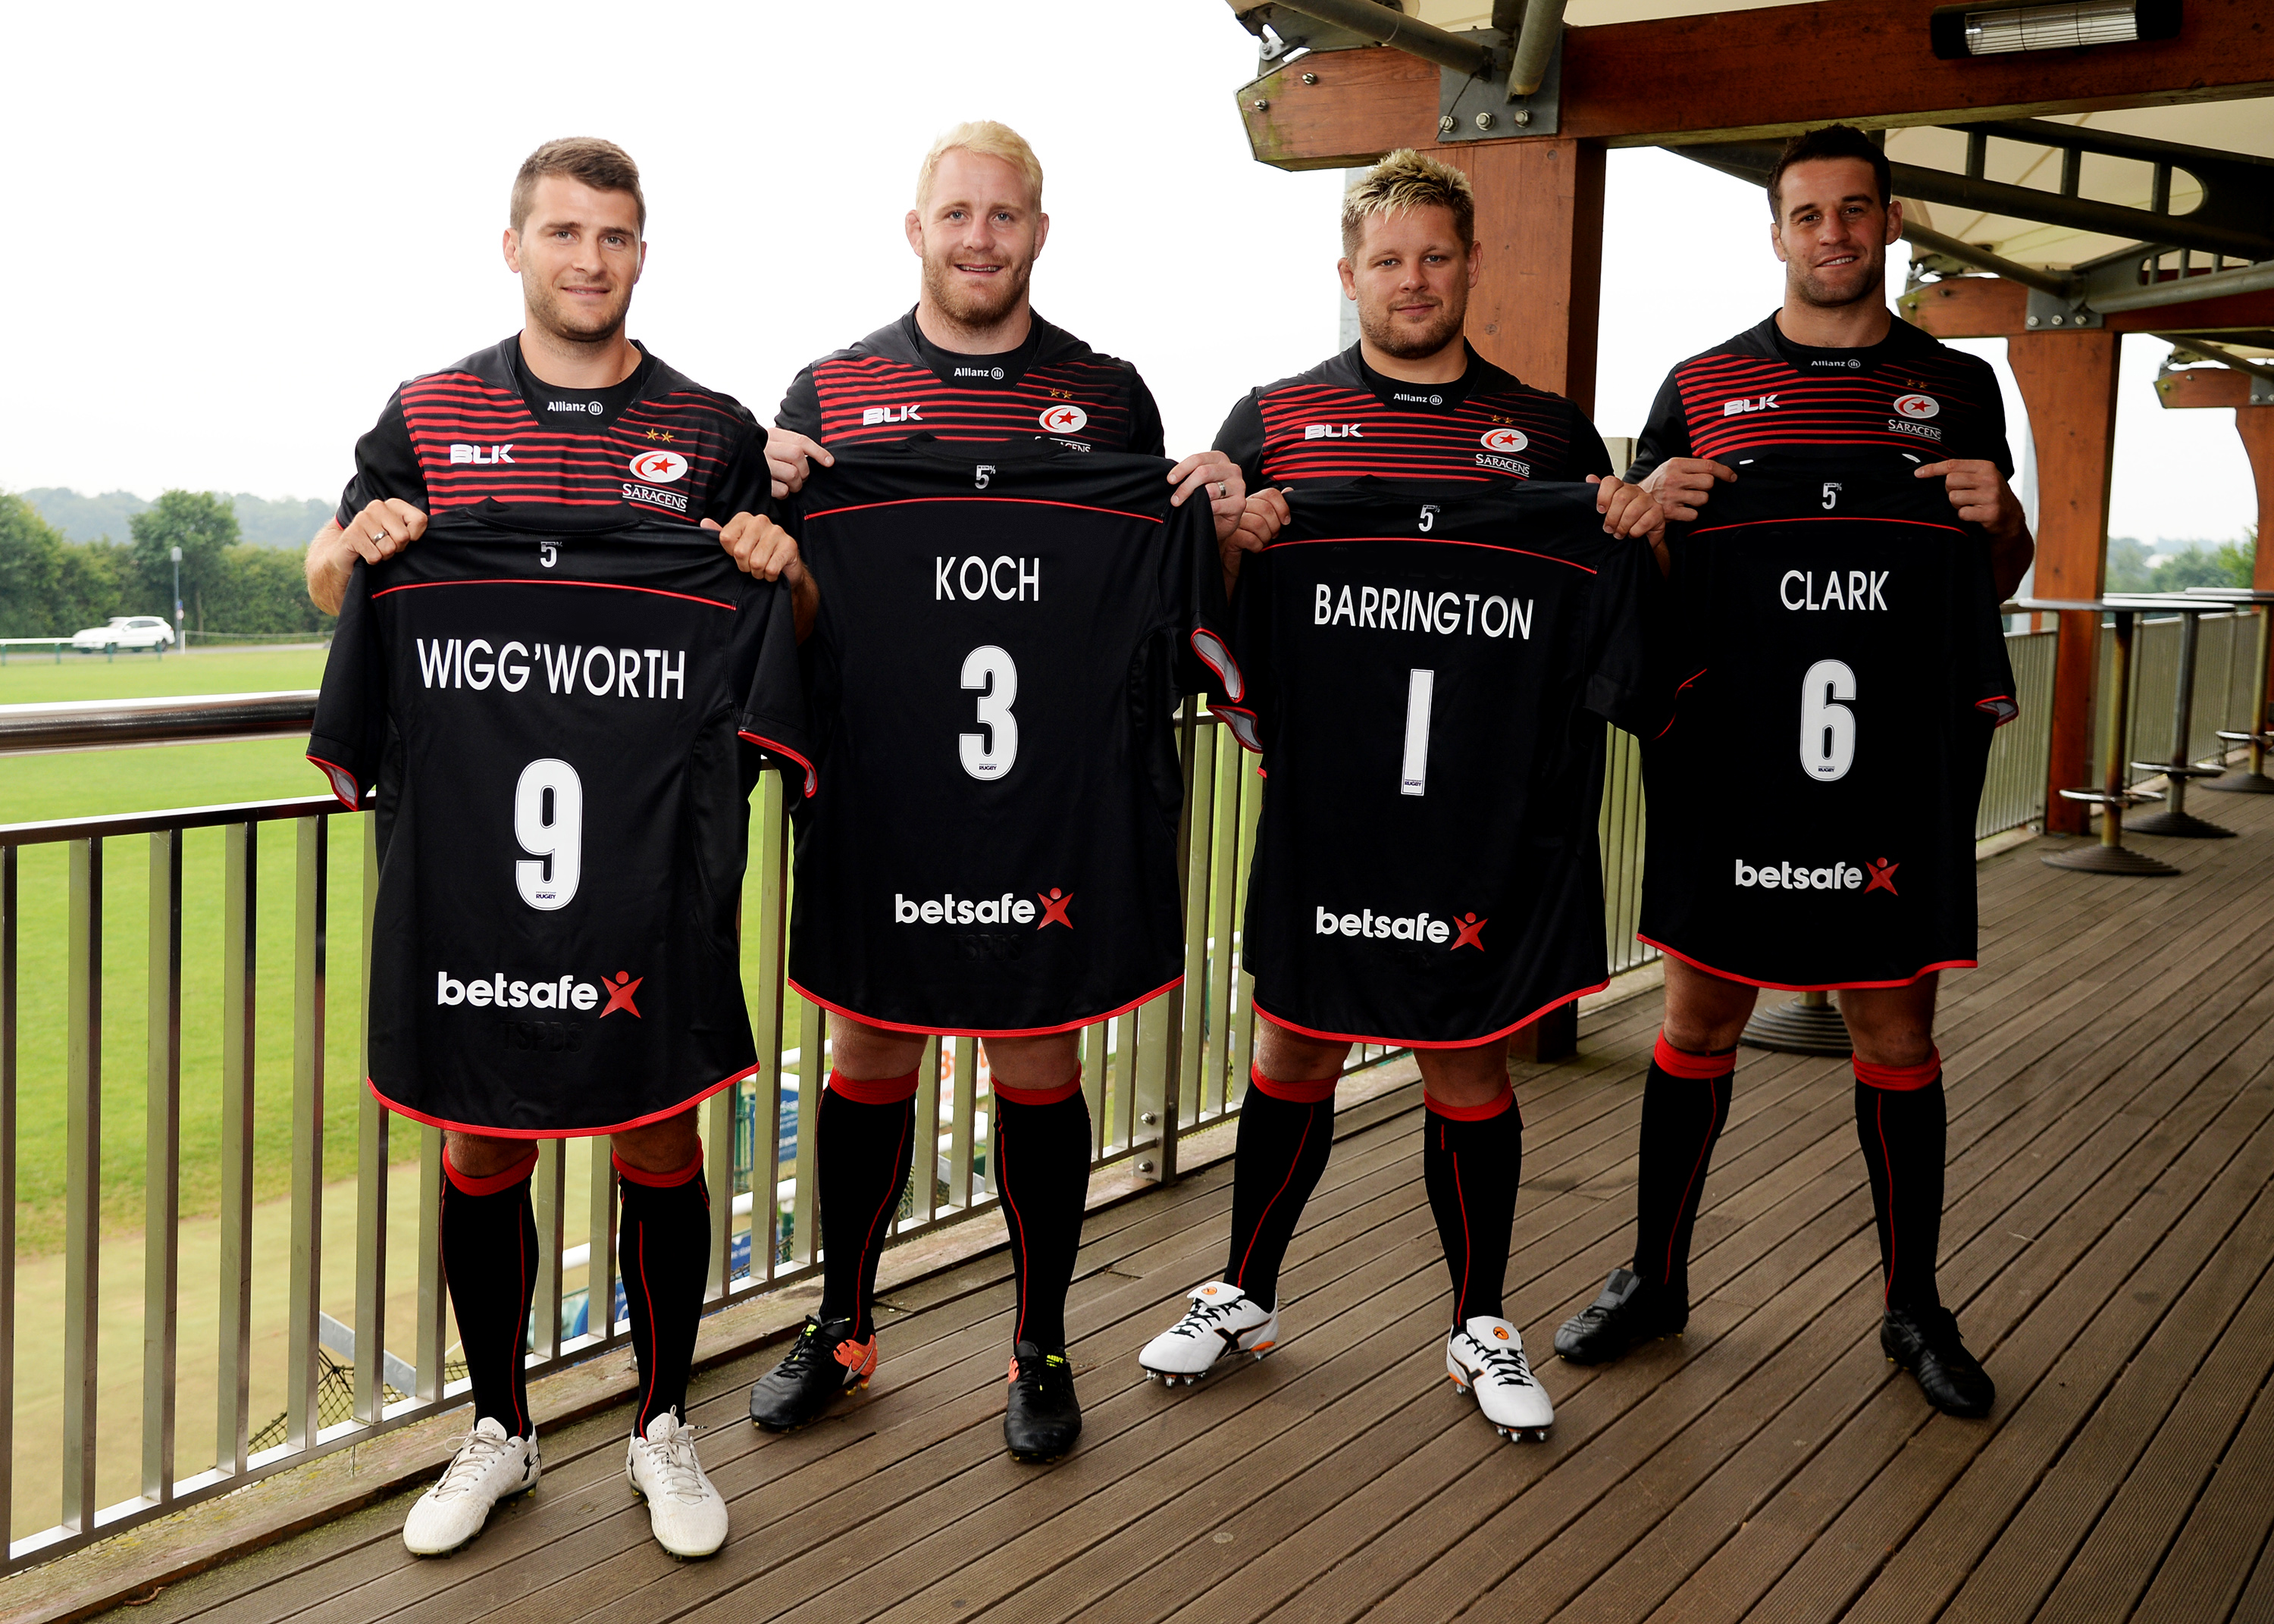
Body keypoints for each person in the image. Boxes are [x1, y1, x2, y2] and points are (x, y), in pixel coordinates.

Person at [1132, 150, 1663, 1445]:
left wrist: (1636, 522)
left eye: (1435, 256)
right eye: (1387, 260)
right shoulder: (1276, 419)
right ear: (1347, 275)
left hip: (1477, 821)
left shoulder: (1545, 436)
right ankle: (1247, 1292)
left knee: (1463, 1060)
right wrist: (1222, 533)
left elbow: (1604, 600)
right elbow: (1194, 600)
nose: (1412, 280)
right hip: (1333, 804)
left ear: (1472, 265)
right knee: (1292, 1048)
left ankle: (1482, 1321)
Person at [738, 121, 1248, 1463]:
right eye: (956, 213)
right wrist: (772, 497)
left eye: (1005, 215)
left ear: (1038, 231)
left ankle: (1042, 1342)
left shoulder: (1110, 394)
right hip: (885, 798)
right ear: (915, 230)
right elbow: (784, 613)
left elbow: (1152, 587)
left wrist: (1206, 497)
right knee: (868, 1057)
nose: (980, 237)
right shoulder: (833, 392)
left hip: (1045, 808)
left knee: (1037, 1061)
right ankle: (843, 1324)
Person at [305, 136, 776, 1559]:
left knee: (655, 1128)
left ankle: (661, 1425)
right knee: (484, 1138)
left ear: (644, 254)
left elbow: (787, 626)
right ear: (512, 245)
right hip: (476, 865)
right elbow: (334, 576)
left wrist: (777, 562)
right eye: (564, 232)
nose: (590, 258)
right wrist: (359, 545)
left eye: (616, 235)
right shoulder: (429, 411)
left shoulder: (709, 429)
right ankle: (499, 1429)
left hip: (648, 861)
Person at [1554, 124, 2034, 1420]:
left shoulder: (1957, 384)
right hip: (1735, 758)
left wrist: (2008, 523)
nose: (1833, 233)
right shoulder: (1700, 384)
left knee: (1897, 1029)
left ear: (1891, 226)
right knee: (1698, 1023)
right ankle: (1656, 1277)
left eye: (1854, 211)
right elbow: (1649, 573)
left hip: (1889, 767)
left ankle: (1915, 1307)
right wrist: (1643, 512)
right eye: (1808, 214)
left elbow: (1992, 578)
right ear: (1776, 232)